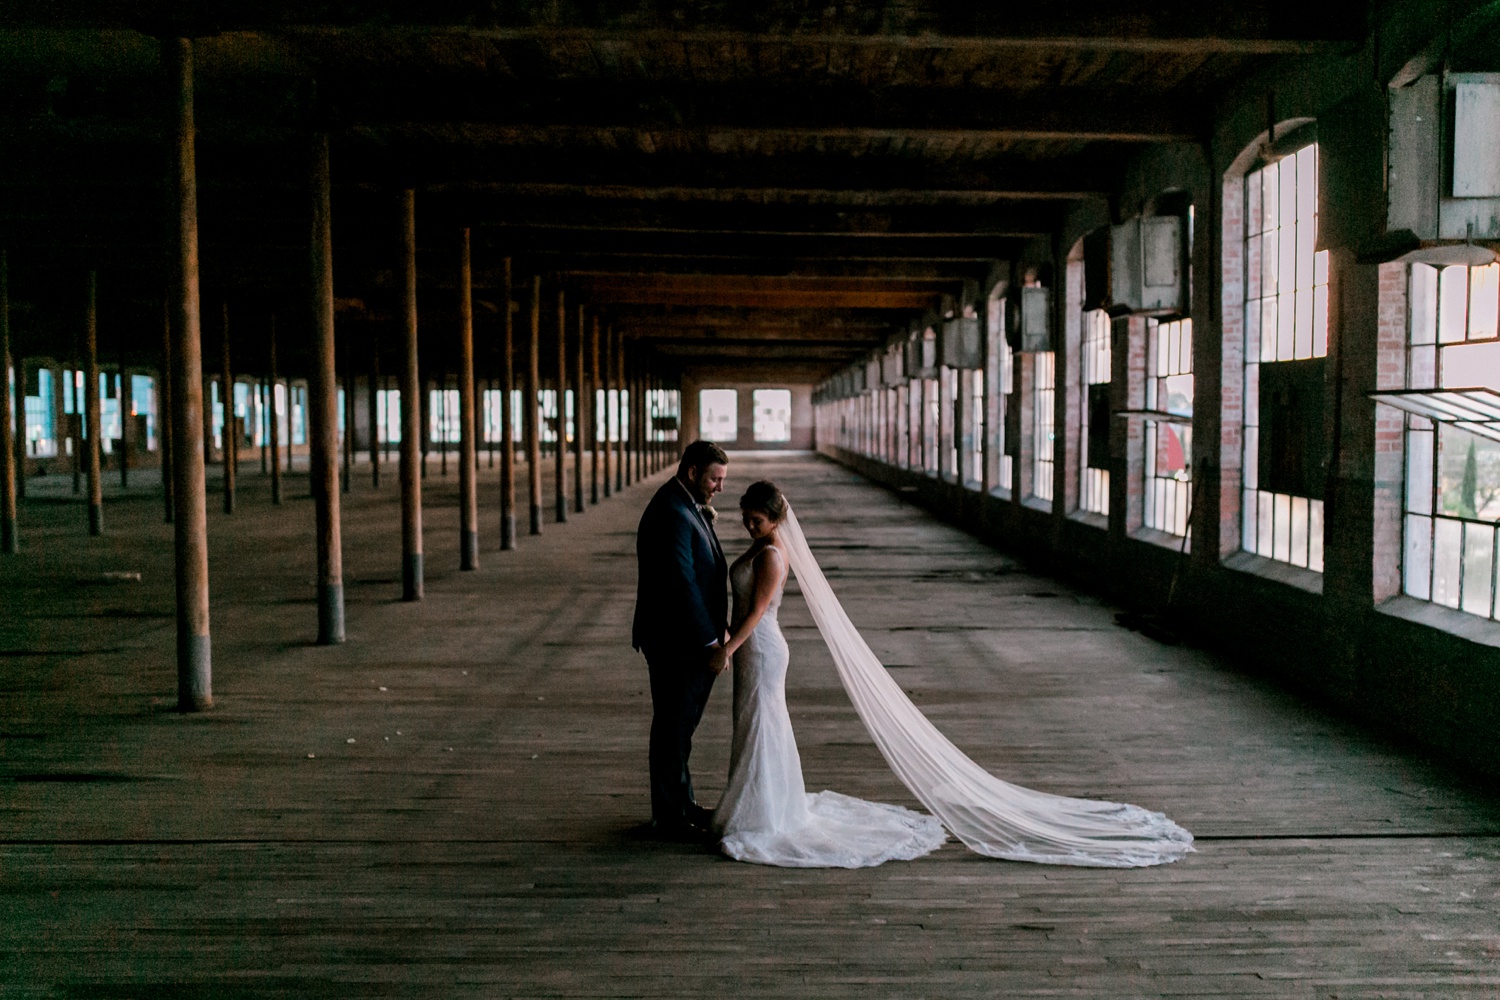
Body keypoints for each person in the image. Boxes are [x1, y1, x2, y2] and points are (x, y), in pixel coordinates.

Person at [709, 479, 1195, 869]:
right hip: (752, 649)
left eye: (757, 520)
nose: (750, 526)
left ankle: (766, 813)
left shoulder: (772, 554)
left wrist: (729, 646)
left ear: (776, 519)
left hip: (761, 648)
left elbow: (758, 612)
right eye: (745, 519)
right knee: (756, 723)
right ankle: (763, 804)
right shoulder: (761, 546)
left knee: (763, 723)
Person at [632, 440, 730, 839]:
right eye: (715, 479)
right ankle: (670, 818)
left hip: (683, 639)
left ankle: (681, 804)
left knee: (680, 728)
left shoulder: (683, 503)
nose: (720, 488)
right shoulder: (672, 512)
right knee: (673, 729)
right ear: (692, 472)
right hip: (677, 643)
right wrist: (711, 642)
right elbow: (681, 584)